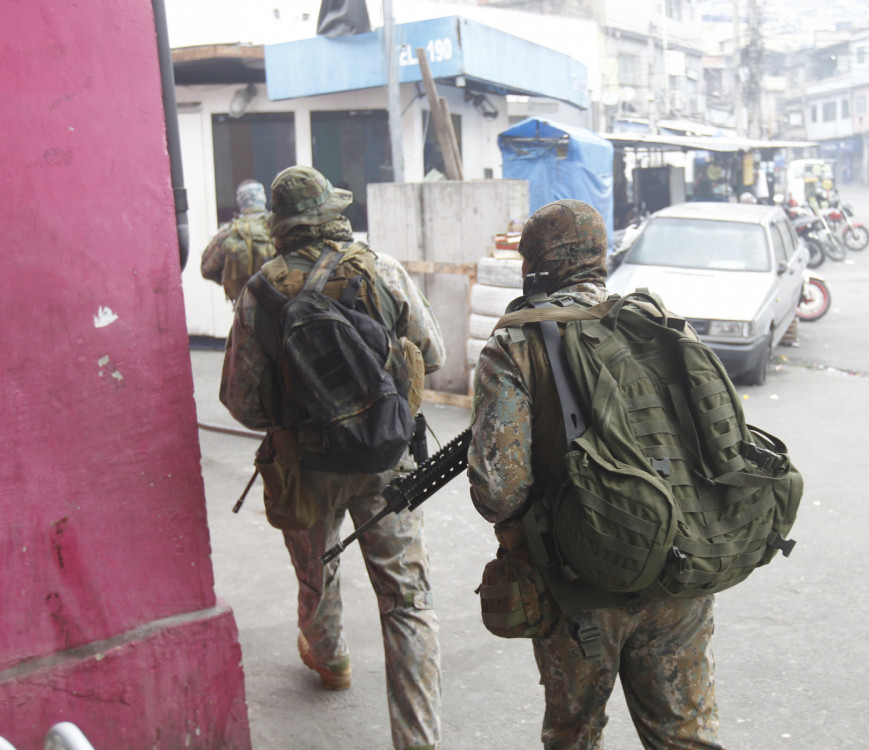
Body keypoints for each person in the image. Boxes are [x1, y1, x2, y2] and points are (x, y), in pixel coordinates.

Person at [467, 199, 724, 750]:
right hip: (682, 572)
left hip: (579, 583)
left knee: (575, 735)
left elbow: (499, 487)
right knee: (684, 734)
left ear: (533, 265)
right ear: (598, 255)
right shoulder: (659, 322)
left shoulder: (516, 342)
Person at [220, 166, 445, 750]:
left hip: (305, 468)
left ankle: (330, 657)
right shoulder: (380, 268)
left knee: (316, 569)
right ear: (332, 213)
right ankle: (418, 741)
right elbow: (434, 353)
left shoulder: (261, 291)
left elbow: (241, 403)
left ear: (280, 224)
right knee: (406, 602)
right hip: (387, 459)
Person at [200, 179, 274, 302]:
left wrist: (229, 278)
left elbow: (207, 269)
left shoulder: (228, 232)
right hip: (277, 304)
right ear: (263, 198)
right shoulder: (277, 227)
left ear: (240, 201)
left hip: (244, 305)